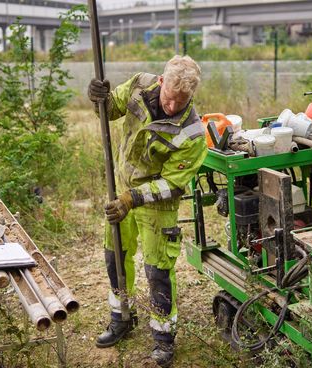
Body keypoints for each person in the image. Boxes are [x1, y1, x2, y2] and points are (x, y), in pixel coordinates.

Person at [88, 55, 207, 367]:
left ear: (191, 96)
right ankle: (122, 318)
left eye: (180, 102)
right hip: (121, 192)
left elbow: (172, 184)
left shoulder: (193, 132)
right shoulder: (140, 84)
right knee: (115, 257)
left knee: (158, 273)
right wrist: (98, 97)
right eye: (169, 98)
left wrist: (132, 198)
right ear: (160, 82)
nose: (172, 106)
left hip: (157, 205)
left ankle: (163, 339)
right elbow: (111, 108)